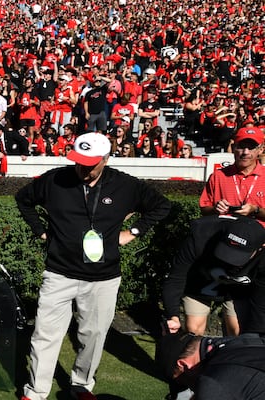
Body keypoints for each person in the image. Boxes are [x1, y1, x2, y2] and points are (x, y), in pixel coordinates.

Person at [16, 132, 171, 400]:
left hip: (103, 278)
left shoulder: (125, 185)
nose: (83, 168)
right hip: (59, 273)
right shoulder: (55, 179)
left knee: (93, 336)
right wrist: (40, 231)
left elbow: (161, 205)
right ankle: (36, 391)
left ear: (106, 159)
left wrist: (132, 231)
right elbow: (24, 199)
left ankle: (81, 385)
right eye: (79, 161)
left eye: (90, 163)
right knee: (45, 335)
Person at [162, 215, 265, 336]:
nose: (229, 261)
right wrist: (173, 316)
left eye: (237, 256)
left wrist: (253, 338)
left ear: (260, 248)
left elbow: (261, 301)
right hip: (201, 281)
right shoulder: (200, 236)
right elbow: (176, 278)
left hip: (239, 288)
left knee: (238, 332)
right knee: (193, 331)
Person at [158, 332, 265, 400]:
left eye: (182, 382)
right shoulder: (248, 338)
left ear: (183, 365)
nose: (191, 389)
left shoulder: (212, 382)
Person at [200, 127, 265, 226]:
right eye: (241, 146)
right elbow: (204, 209)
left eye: (251, 147)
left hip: (259, 238)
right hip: (224, 235)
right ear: (233, 148)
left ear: (261, 150)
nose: (245, 152)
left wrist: (255, 210)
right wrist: (215, 208)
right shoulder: (218, 176)